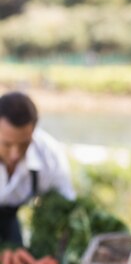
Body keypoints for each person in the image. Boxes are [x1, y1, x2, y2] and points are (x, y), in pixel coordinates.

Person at [0, 91, 75, 246]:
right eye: (7, 144)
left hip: (9, 216)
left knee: (18, 253)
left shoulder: (49, 156)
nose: (15, 155)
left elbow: (66, 202)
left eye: (23, 144)